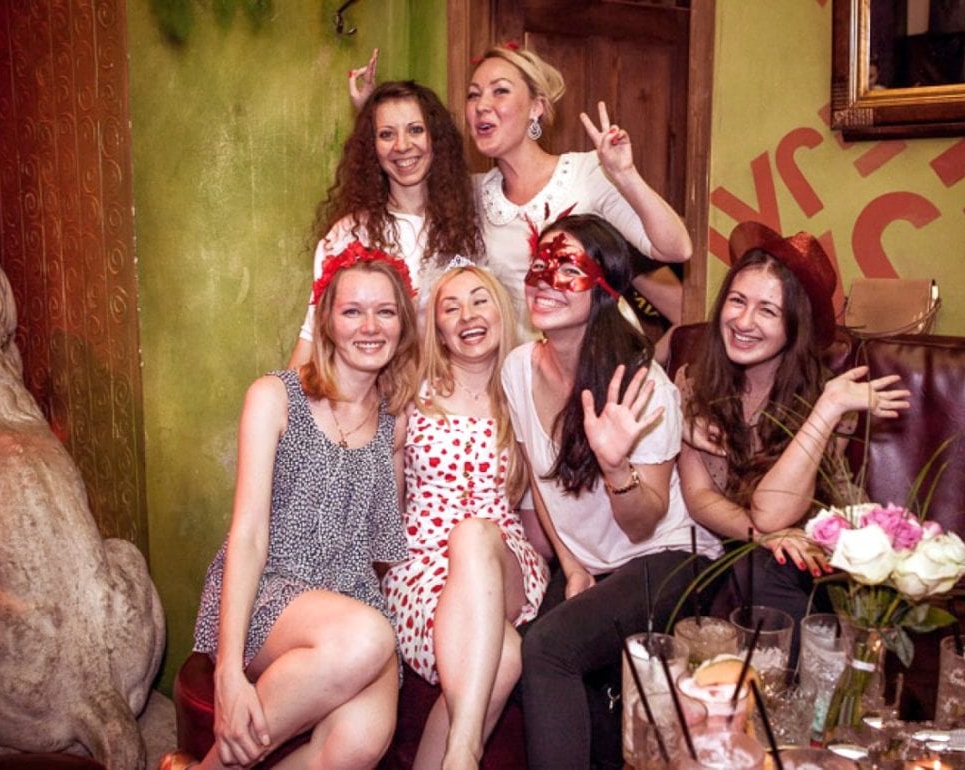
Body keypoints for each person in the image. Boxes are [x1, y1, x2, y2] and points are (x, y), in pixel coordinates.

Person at [161, 244, 419, 770]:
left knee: (359, 743)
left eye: (385, 312)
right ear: (326, 322)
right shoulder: (275, 397)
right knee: (369, 634)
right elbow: (248, 536)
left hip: (349, 600)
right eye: (352, 311)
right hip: (270, 588)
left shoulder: (395, 422)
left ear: (403, 324)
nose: (370, 326)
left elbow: (381, 546)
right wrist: (228, 672)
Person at [499, 213, 722, 769]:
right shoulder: (518, 369)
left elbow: (644, 522)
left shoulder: (644, 388)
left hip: (668, 557)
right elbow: (542, 484)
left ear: (603, 288)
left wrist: (615, 465)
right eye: (539, 264)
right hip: (592, 566)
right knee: (522, 659)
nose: (545, 280)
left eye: (567, 267)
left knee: (548, 649)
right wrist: (572, 566)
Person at [349, 46, 689, 359]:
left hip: (602, 362)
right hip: (525, 377)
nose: (482, 105)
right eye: (473, 95)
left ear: (536, 107)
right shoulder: (471, 194)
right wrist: (373, 115)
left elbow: (675, 248)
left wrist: (625, 174)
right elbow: (407, 173)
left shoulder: (588, 173)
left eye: (500, 91)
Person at [676, 221, 911, 655]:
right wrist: (762, 536)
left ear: (794, 325)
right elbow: (699, 498)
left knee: (766, 566)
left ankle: (800, 689)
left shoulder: (830, 398)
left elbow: (775, 513)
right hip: (739, 547)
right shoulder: (696, 383)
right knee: (751, 561)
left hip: (809, 554)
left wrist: (826, 409)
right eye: (737, 301)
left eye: (767, 310)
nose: (743, 321)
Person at [381, 261, 549, 769]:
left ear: (501, 312)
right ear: (437, 329)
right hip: (421, 565)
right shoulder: (411, 393)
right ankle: (461, 753)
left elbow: (545, 502)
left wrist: (575, 565)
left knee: (474, 535)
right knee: (506, 656)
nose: (467, 316)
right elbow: (386, 502)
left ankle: (460, 751)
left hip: (506, 557)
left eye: (479, 301)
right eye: (450, 308)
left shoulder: (526, 394)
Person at [289, 79, 482, 368]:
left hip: (456, 389)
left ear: (437, 138)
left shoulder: (470, 224)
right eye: (386, 134)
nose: (402, 146)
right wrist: (282, 393)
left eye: (415, 130)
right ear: (372, 147)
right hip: (381, 392)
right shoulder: (349, 233)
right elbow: (313, 333)